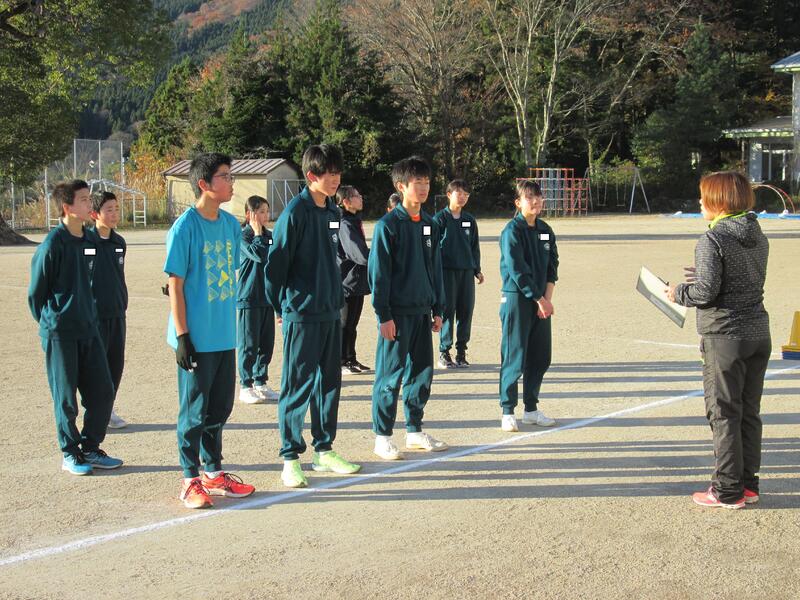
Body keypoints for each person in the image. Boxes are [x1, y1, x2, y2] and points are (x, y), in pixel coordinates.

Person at [667, 171, 770, 509]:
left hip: (725, 336)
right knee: (749, 412)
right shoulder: (757, 234)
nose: (700, 202)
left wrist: (678, 292)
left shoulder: (712, 239)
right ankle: (748, 484)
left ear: (719, 202)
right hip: (757, 333)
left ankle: (727, 490)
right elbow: (741, 277)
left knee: (723, 413)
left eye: (704, 196)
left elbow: (705, 293)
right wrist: (705, 277)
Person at [265, 144, 361, 488]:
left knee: (329, 383)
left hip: (330, 311)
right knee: (297, 384)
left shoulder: (333, 211)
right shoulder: (295, 213)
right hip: (301, 313)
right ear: (311, 176)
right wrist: (281, 307)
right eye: (328, 174)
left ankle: (324, 450)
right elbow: (275, 266)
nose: (335, 179)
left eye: (338, 173)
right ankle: (290, 457)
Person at [164, 153, 255, 509]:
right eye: (225, 176)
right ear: (204, 184)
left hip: (223, 334)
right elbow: (175, 284)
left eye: (231, 176)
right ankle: (190, 479)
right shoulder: (185, 227)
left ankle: (213, 472)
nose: (231, 183)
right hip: (196, 337)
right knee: (194, 411)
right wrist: (182, 335)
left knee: (219, 408)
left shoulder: (231, 225)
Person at [28, 180, 122, 475]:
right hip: (61, 333)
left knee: (103, 391)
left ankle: (91, 448)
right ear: (67, 207)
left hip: (89, 329)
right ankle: (70, 453)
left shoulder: (89, 242)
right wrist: (55, 322)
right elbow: (36, 295)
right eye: (83, 199)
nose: (89, 203)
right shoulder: (53, 245)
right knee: (66, 398)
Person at [368, 156, 448, 460]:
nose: (424, 187)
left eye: (427, 182)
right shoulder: (388, 226)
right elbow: (379, 275)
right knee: (390, 377)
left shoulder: (430, 224)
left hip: (422, 311)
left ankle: (414, 430)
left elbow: (435, 269)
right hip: (397, 315)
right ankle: (383, 436)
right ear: (401, 186)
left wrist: (438, 308)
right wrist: (384, 315)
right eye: (418, 182)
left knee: (421, 374)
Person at [498, 180, 558, 433]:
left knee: (540, 356)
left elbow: (552, 266)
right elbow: (517, 270)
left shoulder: (545, 230)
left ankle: (531, 410)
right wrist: (538, 299)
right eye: (529, 197)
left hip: (541, 301)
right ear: (518, 202)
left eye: (538, 196)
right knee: (515, 356)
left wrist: (546, 300)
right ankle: (507, 411)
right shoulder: (512, 231)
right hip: (517, 299)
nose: (535, 201)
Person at [433, 179, 484, 368]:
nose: (462, 197)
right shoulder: (439, 219)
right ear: (449, 195)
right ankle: (444, 352)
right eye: (459, 193)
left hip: (466, 272)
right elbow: (432, 249)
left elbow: (474, 246)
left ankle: (461, 352)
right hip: (446, 272)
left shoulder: (469, 220)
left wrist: (477, 269)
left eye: (466, 194)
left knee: (466, 311)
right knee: (448, 311)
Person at [89, 191, 129, 429]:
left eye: (116, 209)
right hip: (94, 316)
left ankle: (107, 408)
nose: (114, 214)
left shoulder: (119, 243)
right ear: (95, 214)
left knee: (115, 365)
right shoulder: (85, 242)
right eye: (109, 210)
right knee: (96, 367)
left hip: (117, 313)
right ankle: (96, 412)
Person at [237, 195, 278, 404]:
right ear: (249, 215)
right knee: (249, 344)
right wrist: (258, 234)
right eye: (261, 211)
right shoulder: (243, 236)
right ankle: (246, 385)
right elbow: (258, 254)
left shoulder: (270, 235)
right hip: (249, 296)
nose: (265, 215)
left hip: (267, 297)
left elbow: (274, 257)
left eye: (267, 211)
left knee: (266, 344)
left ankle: (261, 382)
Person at [336, 185, 371, 375]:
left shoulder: (353, 219)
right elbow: (358, 254)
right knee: (345, 323)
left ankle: (351, 357)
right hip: (346, 280)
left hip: (356, 279)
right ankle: (341, 360)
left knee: (352, 324)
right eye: (357, 196)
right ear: (346, 201)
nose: (361, 198)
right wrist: (379, 256)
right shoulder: (345, 223)